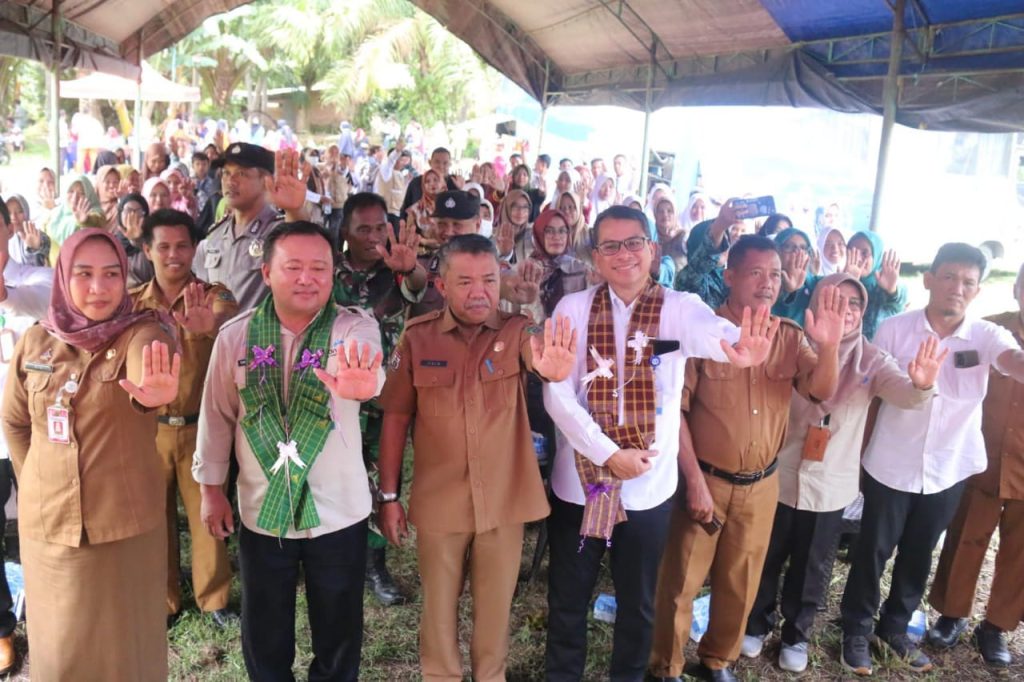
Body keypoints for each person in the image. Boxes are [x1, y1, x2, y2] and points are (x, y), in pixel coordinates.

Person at [542, 207, 780, 682]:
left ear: (652, 248)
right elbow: (557, 392)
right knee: (568, 600)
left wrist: (738, 345)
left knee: (639, 604)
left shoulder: (678, 305)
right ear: (596, 257)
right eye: (610, 245)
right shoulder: (572, 309)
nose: (624, 254)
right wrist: (608, 455)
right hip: (583, 484)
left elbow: (713, 333)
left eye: (634, 242)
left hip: (647, 491)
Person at [377, 233, 578, 681]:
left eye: (489, 279)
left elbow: (538, 350)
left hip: (504, 502)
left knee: (494, 614)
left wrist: (550, 364)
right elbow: (394, 418)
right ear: (442, 286)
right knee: (439, 612)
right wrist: (389, 496)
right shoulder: (418, 338)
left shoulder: (515, 330)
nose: (479, 291)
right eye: (465, 281)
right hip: (440, 501)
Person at [193, 221, 384, 681]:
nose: (307, 277)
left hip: (336, 510)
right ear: (266, 273)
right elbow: (217, 416)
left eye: (319, 267)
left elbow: (369, 363)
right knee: (265, 630)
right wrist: (211, 490)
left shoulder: (352, 327)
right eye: (293, 266)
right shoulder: (236, 337)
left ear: (333, 273)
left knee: (338, 630)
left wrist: (366, 383)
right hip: (264, 509)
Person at [648, 235, 844, 682]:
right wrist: (694, 480)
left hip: (760, 486)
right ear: (730, 276)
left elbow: (821, 390)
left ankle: (718, 660)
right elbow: (673, 411)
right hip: (706, 480)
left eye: (775, 274)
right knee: (681, 582)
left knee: (742, 582)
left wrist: (830, 347)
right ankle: (667, 667)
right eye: (755, 272)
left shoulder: (789, 338)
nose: (767, 283)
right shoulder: (701, 334)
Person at [741, 272, 943, 673]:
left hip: (829, 485)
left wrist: (921, 386)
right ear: (815, 302)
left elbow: (905, 393)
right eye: (834, 299)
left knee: (813, 566)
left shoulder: (871, 360)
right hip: (779, 475)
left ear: (863, 312)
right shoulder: (791, 344)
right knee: (767, 556)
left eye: (854, 304)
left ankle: (796, 635)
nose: (845, 311)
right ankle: (755, 624)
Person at [1, 228, 180, 681]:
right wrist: (37, 480)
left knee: (126, 654)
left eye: (111, 274)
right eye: (83, 274)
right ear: (63, 277)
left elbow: (148, 367)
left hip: (124, 531)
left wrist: (153, 393)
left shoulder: (142, 331)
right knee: (60, 654)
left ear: (126, 279)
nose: (98, 288)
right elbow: (15, 422)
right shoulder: (36, 342)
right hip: (48, 534)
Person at [838, 243, 1024, 676]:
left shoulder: (985, 336)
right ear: (928, 279)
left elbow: (1013, 360)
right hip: (890, 463)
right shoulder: (895, 331)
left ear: (977, 291)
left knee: (920, 553)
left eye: (967, 282)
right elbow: (870, 400)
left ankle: (895, 629)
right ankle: (856, 628)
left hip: (948, 468)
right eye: (948, 277)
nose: (957, 288)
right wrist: (858, 459)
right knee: (873, 550)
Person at [130, 208, 238, 627]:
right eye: (164, 247)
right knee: (153, 521)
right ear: (147, 250)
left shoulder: (215, 294)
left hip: (201, 429)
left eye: (182, 246)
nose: (173, 255)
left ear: (195, 248)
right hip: (150, 431)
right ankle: (163, 601)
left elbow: (234, 320)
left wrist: (212, 325)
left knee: (208, 515)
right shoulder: (132, 303)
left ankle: (215, 600)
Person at [926, 261, 1024, 667]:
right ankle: (951, 614)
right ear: (1017, 288)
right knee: (966, 536)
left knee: (1020, 553)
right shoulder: (988, 332)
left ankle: (997, 626)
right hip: (980, 459)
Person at [332, 192, 426, 606]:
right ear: (346, 233)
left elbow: (419, 288)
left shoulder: (397, 269)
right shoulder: (329, 272)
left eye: (378, 227)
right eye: (362, 228)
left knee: (381, 476)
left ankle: (374, 565)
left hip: (384, 398)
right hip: (332, 393)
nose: (372, 236)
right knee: (330, 475)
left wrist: (412, 270)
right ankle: (331, 557)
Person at [0, 200, 52, 675]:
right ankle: (2, 630)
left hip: (34, 434)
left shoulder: (38, 282)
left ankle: (53, 619)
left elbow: (32, 303)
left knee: (44, 532)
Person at [193, 144, 308, 311]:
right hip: (219, 336)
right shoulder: (215, 235)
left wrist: (295, 209)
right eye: (226, 173)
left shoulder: (278, 230)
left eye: (241, 174)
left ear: (266, 180)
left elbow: (301, 243)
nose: (230, 181)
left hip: (263, 335)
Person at [408, 190, 482, 318]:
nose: (448, 232)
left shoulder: (491, 267)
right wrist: (408, 270)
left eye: (457, 224)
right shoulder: (423, 264)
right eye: (442, 224)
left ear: (477, 224)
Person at [674, 200, 747, 309]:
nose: (724, 247)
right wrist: (720, 224)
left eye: (725, 241)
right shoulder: (687, 279)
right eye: (721, 243)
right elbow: (705, 255)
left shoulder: (730, 276)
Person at [844, 230, 907, 340]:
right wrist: (849, 283)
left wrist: (891, 290)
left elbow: (899, 304)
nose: (858, 258)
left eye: (864, 253)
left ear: (877, 256)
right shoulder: (840, 281)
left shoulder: (886, 282)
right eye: (853, 252)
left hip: (879, 352)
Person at [43, 174, 104, 263]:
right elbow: (43, 241)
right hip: (54, 272)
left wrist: (85, 221)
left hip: (81, 272)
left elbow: (96, 223)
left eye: (81, 193)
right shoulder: (55, 214)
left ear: (89, 195)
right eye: (71, 191)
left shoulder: (95, 213)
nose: (75, 197)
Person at [399, 147, 458, 221]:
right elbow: (405, 211)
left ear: (450, 164)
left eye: (445, 163)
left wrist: (460, 189)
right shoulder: (416, 183)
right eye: (437, 162)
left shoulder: (455, 183)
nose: (441, 166)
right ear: (430, 162)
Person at [373, 138, 413, 233]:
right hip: (386, 214)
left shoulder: (400, 174)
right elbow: (390, 161)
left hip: (397, 215)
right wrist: (397, 151)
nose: (403, 163)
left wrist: (407, 182)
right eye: (400, 159)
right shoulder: (386, 171)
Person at [5, 194, 50, 266]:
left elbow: (46, 244)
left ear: (26, 211)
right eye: (8, 213)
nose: (13, 217)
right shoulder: (4, 238)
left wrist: (35, 247)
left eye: (19, 211)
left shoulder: (36, 234)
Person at [494, 189, 533, 265]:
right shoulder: (492, 235)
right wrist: (504, 254)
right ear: (506, 208)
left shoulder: (533, 234)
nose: (520, 212)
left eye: (525, 207)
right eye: (515, 206)